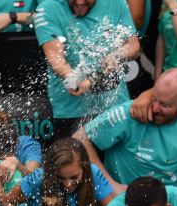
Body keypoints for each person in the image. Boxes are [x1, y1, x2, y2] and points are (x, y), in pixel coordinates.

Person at [74, 68, 177, 192]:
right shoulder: (130, 113)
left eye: (164, 105)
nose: (155, 108)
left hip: (174, 205)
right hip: (126, 202)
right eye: (154, 98)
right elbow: (80, 138)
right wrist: (108, 185)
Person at [33, 0, 140, 138]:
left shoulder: (116, 3)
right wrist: (70, 77)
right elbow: (55, 55)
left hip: (114, 104)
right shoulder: (48, 8)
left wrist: (116, 55)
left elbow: (133, 45)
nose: (79, 2)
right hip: (71, 110)